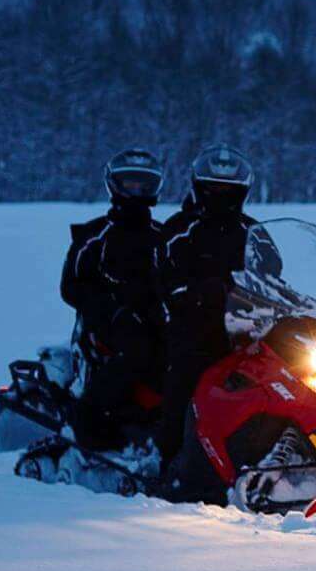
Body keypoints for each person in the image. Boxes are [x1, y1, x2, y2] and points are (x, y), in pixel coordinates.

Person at [155, 144, 259, 464]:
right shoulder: (179, 229)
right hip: (194, 326)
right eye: (215, 189)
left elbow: (273, 275)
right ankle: (170, 459)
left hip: (247, 327)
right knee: (187, 377)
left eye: (229, 190)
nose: (222, 195)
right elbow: (165, 280)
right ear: (200, 188)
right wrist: (201, 292)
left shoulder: (254, 232)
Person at [59, 148, 167, 450]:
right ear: (115, 185)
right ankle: (90, 420)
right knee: (137, 351)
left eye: (143, 184)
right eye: (130, 183)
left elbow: (177, 277)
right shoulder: (96, 234)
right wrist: (111, 309)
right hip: (106, 321)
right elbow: (71, 286)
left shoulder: (163, 235)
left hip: (154, 316)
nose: (137, 190)